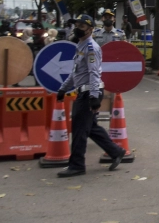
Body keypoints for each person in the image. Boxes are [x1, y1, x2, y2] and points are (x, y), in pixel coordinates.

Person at [54, 14, 126, 177]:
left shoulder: (91, 48)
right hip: (85, 91)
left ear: (90, 29)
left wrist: (94, 97)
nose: (77, 29)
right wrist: (63, 89)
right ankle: (116, 152)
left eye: (81, 26)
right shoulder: (81, 45)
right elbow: (76, 72)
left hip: (89, 93)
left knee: (79, 130)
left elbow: (94, 73)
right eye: (76, 25)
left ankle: (77, 165)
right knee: (91, 128)